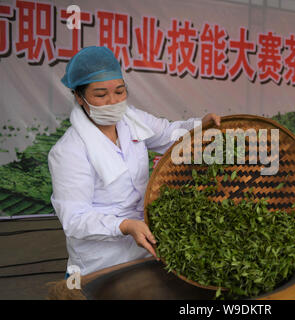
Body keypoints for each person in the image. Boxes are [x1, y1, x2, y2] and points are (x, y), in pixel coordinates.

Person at [48, 46, 221, 277]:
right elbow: (75, 219)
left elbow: (168, 134)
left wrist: (200, 125)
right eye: (100, 95)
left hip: (147, 247)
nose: (113, 101)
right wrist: (125, 226)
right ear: (79, 97)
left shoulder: (132, 120)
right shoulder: (69, 151)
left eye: (120, 91)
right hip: (101, 262)